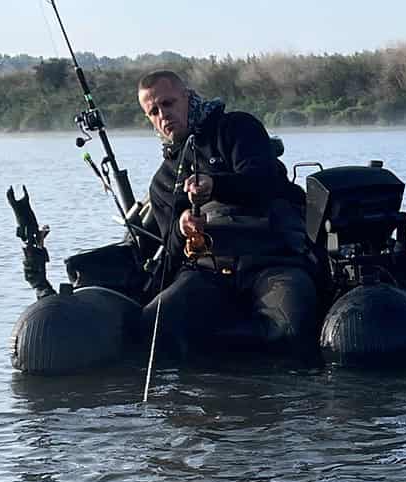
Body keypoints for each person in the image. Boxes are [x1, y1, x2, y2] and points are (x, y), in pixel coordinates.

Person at [135, 70, 320, 362]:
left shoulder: (237, 128)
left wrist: (215, 185)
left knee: (291, 330)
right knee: (154, 325)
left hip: (272, 261)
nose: (163, 115)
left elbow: (265, 182)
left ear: (187, 96)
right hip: (207, 271)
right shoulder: (163, 181)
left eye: (168, 104)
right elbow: (169, 247)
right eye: (153, 111)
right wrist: (182, 227)